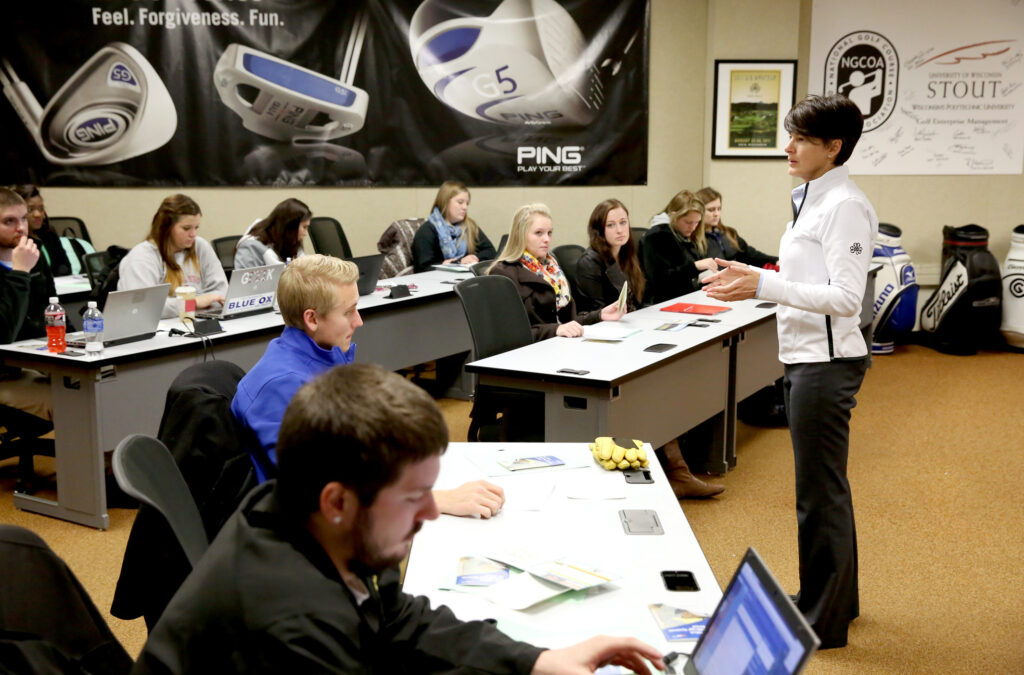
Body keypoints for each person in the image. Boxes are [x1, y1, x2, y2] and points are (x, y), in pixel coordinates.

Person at [135, 364, 666, 674]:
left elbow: (396, 617)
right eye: (414, 497)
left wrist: (538, 661)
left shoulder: (312, 522)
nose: (432, 511)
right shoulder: (294, 628)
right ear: (338, 501)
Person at [703, 94, 877, 649]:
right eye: (790, 134)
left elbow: (847, 298)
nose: (789, 147)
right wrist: (752, 275)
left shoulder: (843, 205)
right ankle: (831, 600)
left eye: (802, 138)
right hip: (806, 356)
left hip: (827, 365)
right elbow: (804, 277)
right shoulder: (811, 197)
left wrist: (763, 284)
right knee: (824, 489)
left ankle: (824, 621)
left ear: (834, 147)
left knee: (818, 493)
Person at [232, 254, 506, 519]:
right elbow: (324, 490)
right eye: (349, 312)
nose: (359, 321)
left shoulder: (320, 357)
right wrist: (430, 499)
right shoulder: (282, 387)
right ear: (312, 319)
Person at [489, 203, 623, 341]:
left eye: (549, 233)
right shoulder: (503, 273)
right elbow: (510, 334)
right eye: (538, 233)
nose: (546, 239)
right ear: (520, 235)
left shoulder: (552, 268)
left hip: (561, 344)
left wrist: (600, 315)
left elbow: (569, 322)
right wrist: (555, 330)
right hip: (530, 353)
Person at [118, 194, 228, 319]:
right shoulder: (141, 258)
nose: (193, 234)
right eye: (186, 228)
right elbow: (142, 308)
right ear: (166, 228)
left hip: (197, 322)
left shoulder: (200, 246)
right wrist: (194, 303)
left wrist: (200, 303)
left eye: (196, 227)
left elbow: (222, 293)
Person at [640, 191, 719, 305]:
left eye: (696, 222)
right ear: (673, 216)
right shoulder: (656, 237)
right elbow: (661, 280)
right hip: (662, 303)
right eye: (688, 222)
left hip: (688, 299)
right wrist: (695, 267)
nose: (692, 227)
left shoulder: (686, 236)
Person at [574, 199, 646, 312]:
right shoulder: (589, 262)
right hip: (604, 326)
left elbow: (638, 300)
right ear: (599, 230)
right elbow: (597, 311)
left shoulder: (627, 252)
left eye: (623, 222)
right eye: (611, 225)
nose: (619, 230)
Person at [412, 180, 497, 272]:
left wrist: (474, 258)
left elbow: (491, 251)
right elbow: (423, 268)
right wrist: (459, 262)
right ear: (445, 202)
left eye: (467, 203)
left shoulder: (470, 226)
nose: (465, 207)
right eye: (460, 202)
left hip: (465, 280)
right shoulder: (427, 231)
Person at [12, 184, 89, 277]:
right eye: (30, 209)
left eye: (41, 208)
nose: (38, 214)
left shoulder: (49, 234)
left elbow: (65, 266)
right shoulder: (14, 240)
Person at [694, 187, 778, 268]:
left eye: (719, 209)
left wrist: (776, 261)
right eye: (711, 210)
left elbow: (751, 254)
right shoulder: (693, 238)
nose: (716, 214)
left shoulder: (729, 233)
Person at [234, 198, 311, 269]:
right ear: (290, 227)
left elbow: (304, 267)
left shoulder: (290, 241)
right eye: (304, 227)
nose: (306, 233)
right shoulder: (251, 248)